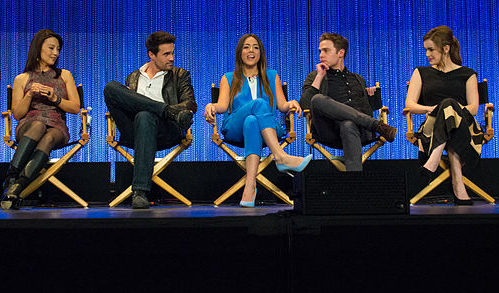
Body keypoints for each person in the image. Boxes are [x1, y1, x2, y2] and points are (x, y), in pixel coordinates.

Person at [204, 33, 312, 207]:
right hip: (235, 128)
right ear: (240, 52)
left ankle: (249, 187)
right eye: (246, 47)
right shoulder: (228, 78)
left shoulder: (272, 76)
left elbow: (283, 105)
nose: (251, 51)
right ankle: (280, 157)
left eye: (255, 47)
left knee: (252, 122)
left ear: (261, 52)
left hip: (266, 128)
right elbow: (222, 106)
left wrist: (291, 103)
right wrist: (211, 106)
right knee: (258, 105)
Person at [104, 31, 197, 209]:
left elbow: (190, 104)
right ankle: (167, 110)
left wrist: (160, 113)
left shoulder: (180, 75)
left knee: (145, 115)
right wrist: (165, 109)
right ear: (151, 55)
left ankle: (140, 191)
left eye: (173, 53)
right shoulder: (133, 77)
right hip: (133, 131)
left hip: (166, 131)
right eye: (166, 54)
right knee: (110, 87)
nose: (172, 58)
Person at [1, 29, 80, 209]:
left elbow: (75, 108)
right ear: (38, 49)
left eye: (58, 49)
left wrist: (56, 99)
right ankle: (14, 179)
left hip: (56, 126)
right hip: (29, 125)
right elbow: (17, 114)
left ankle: (15, 183)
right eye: (51, 48)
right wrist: (29, 95)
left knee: (49, 136)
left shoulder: (64, 75)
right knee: (38, 126)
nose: (55, 53)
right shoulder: (22, 79)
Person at [405, 25, 482, 205]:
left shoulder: (467, 74)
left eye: (431, 49)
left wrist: (451, 109)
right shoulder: (421, 72)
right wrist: (432, 109)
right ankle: (458, 185)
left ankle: (434, 157)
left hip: (466, 130)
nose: (427, 54)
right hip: (432, 128)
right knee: (446, 107)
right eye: (426, 50)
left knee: (449, 105)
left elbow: (474, 108)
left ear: (446, 49)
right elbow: (410, 105)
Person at [299, 33, 397, 171]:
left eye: (326, 50)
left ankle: (354, 185)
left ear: (341, 53)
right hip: (329, 131)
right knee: (317, 99)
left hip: (358, 131)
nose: (321, 55)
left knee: (348, 124)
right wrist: (319, 77)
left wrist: (370, 97)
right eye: (320, 51)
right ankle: (376, 125)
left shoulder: (358, 79)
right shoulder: (315, 76)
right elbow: (305, 105)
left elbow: (368, 108)